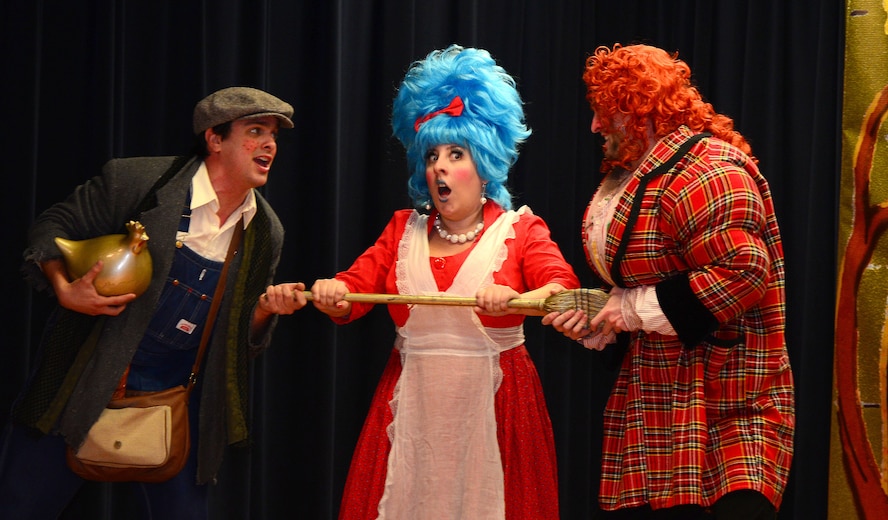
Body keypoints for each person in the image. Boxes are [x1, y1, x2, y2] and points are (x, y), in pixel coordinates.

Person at [0, 86, 308, 518]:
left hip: (175, 402)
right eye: (255, 131)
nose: (270, 144)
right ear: (214, 139)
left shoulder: (264, 231)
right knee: (22, 506)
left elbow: (240, 341)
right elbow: (53, 226)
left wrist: (265, 311)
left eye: (274, 135)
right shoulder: (140, 182)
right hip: (83, 382)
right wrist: (65, 288)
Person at [311, 45, 580, 519]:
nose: (439, 166)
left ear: (485, 162)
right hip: (411, 409)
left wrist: (520, 299)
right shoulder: (402, 229)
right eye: (432, 154)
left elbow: (560, 288)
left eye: (456, 153)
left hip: (497, 413)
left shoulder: (520, 230)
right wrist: (332, 293)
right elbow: (351, 295)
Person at [543, 44, 795, 519]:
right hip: (661, 399)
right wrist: (606, 317)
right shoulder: (648, 171)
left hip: (727, 402)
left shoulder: (706, 169)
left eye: (603, 113)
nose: (595, 126)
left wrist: (628, 309)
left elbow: (743, 271)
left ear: (637, 111)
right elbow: (656, 278)